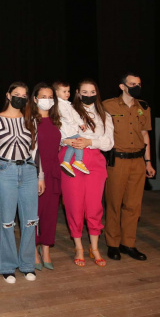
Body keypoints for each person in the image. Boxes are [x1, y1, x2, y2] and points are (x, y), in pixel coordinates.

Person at [0, 82, 45, 283]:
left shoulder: (30, 120)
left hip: (29, 172)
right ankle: (7, 266)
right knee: (7, 222)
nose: (20, 97)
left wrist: (40, 176)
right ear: (8, 95)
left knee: (30, 221)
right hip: (6, 172)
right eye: (16, 93)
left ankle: (27, 265)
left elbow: (36, 150)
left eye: (24, 95)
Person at [60, 79, 114, 267]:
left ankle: (95, 247)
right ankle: (78, 247)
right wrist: (68, 141)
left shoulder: (105, 115)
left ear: (97, 93)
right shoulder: (68, 111)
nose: (89, 95)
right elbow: (59, 135)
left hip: (95, 162)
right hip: (71, 159)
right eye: (85, 92)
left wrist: (90, 142)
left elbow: (109, 143)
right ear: (77, 92)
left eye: (92, 92)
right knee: (74, 205)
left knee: (94, 206)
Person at [102, 72, 156, 262]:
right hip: (117, 161)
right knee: (114, 204)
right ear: (122, 86)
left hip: (138, 161)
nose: (136, 87)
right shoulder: (107, 105)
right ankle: (113, 244)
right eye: (132, 84)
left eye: (139, 84)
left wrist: (148, 162)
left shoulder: (143, 107)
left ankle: (128, 243)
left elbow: (145, 134)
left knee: (133, 205)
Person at [29, 83, 62, 271]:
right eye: (43, 97)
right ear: (35, 99)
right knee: (35, 213)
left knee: (50, 213)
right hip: (35, 172)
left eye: (50, 97)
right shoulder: (29, 121)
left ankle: (46, 249)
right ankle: (33, 250)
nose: (47, 100)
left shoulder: (57, 121)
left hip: (54, 172)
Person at [56, 84, 89, 177]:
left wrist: (81, 123)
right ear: (56, 92)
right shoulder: (59, 104)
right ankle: (78, 160)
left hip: (69, 130)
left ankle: (66, 162)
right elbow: (68, 118)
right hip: (67, 131)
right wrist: (76, 127)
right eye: (64, 91)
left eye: (68, 91)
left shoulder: (67, 103)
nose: (67, 93)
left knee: (72, 145)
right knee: (79, 141)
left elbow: (75, 114)